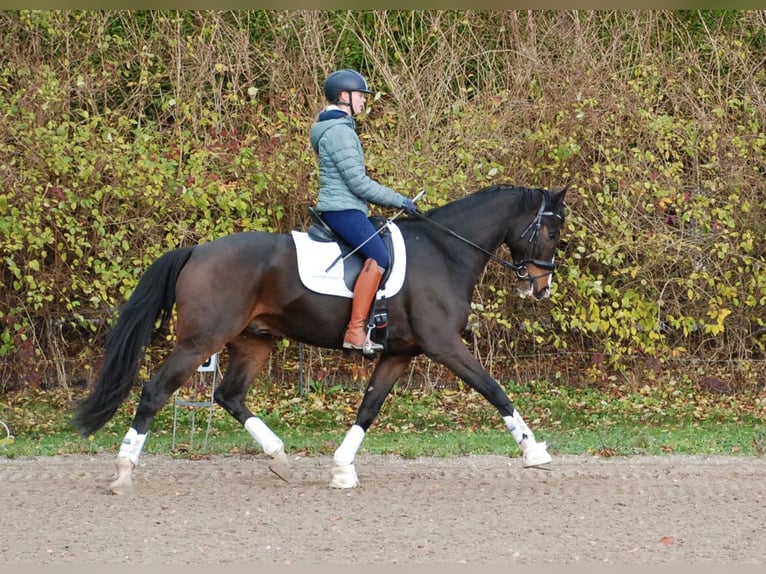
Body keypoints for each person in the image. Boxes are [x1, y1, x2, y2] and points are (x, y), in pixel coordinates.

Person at [310, 69, 417, 352]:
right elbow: (358, 182)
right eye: (360, 96)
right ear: (343, 97)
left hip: (346, 206)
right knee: (379, 256)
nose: (364, 101)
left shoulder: (337, 128)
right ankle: (355, 330)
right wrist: (400, 200)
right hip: (342, 208)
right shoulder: (339, 133)